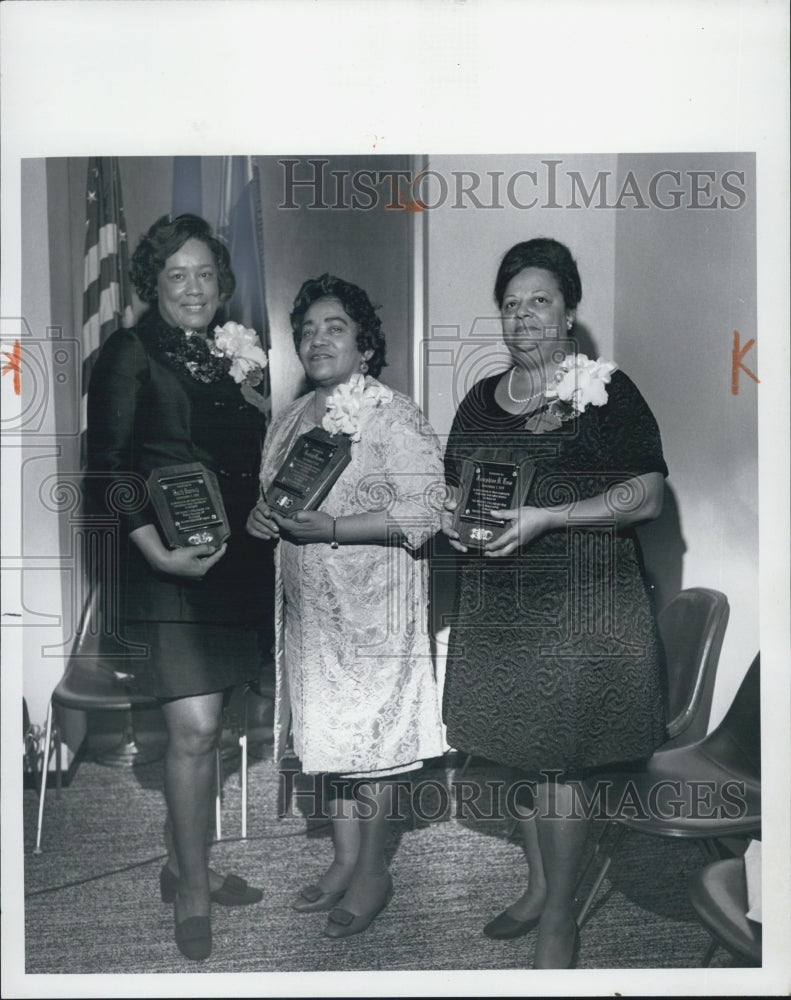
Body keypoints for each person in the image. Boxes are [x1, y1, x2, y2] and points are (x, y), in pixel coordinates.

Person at [441, 237, 667, 969]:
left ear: (568, 313)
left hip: (584, 608)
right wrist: (452, 517)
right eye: (510, 304)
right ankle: (540, 887)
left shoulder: (605, 389)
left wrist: (549, 517)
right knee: (517, 758)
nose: (523, 316)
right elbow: (456, 490)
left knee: (561, 769)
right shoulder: (480, 402)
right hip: (500, 608)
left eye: (539, 300)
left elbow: (647, 494)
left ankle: (559, 923)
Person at [87, 213, 273, 961]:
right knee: (194, 734)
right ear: (152, 285)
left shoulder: (224, 358)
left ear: (220, 283)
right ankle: (192, 887)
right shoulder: (126, 355)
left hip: (234, 568)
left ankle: (180, 861)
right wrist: (155, 555)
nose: (194, 288)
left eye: (205, 275)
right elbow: (106, 473)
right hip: (167, 569)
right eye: (177, 275)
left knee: (216, 728)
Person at [247, 274, 446, 939]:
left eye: (334, 327)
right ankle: (342, 858)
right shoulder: (292, 417)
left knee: (373, 741)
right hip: (310, 610)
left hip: (375, 605)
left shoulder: (394, 412)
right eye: (306, 329)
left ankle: (372, 872)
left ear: (365, 347)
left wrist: (333, 530)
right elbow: (277, 499)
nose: (315, 339)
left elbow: (426, 513)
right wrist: (261, 517)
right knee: (328, 737)